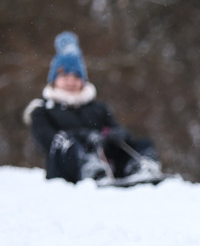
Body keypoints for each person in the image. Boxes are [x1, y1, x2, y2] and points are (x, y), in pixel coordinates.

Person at [23, 31, 164, 187]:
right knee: (70, 146)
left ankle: (141, 168)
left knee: (140, 143)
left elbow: (114, 128)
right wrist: (84, 136)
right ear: (54, 81)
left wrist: (115, 135)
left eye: (76, 76)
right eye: (65, 76)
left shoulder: (98, 108)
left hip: (105, 159)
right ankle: (91, 171)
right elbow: (47, 141)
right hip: (67, 168)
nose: (71, 81)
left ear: (83, 80)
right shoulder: (42, 111)